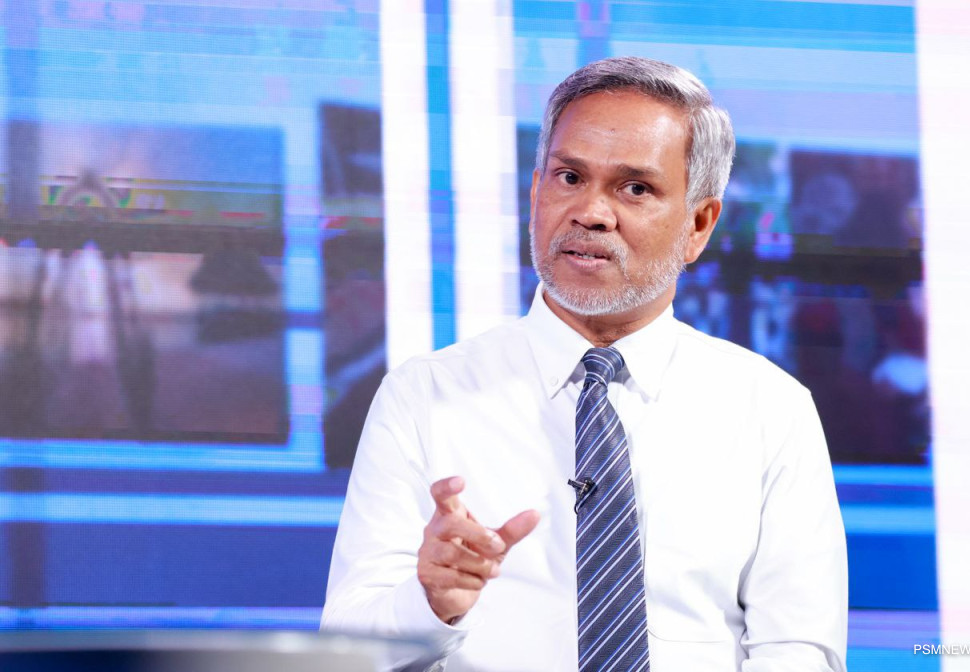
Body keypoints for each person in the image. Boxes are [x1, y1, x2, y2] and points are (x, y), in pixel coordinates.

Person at [321, 56, 848, 671]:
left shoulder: (769, 408)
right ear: (536, 192)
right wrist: (431, 603)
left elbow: (799, 649)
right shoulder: (423, 396)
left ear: (699, 225)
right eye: (570, 177)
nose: (591, 212)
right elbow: (346, 653)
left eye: (635, 188)